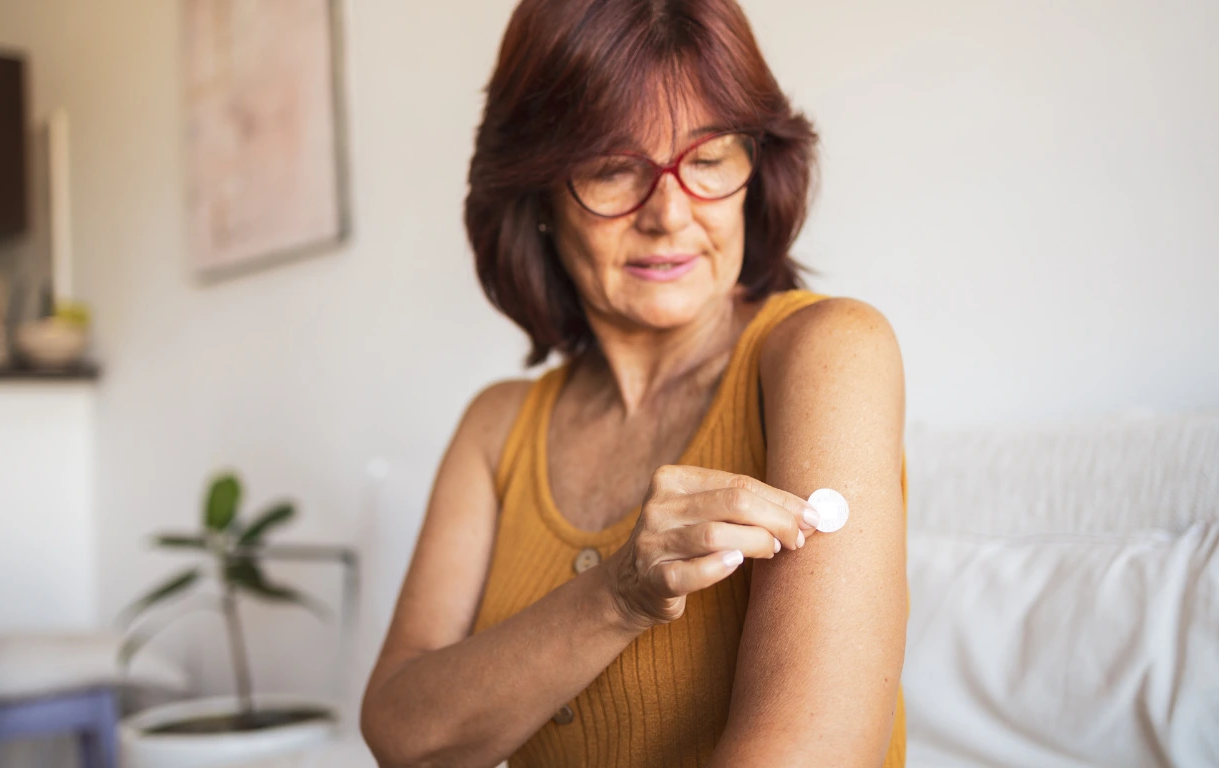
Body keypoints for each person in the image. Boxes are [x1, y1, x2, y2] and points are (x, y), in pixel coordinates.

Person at [360, 0, 908, 765]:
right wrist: (619, 594)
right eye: (615, 170)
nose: (671, 214)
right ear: (538, 195)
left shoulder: (827, 352)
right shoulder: (496, 427)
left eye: (711, 158)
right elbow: (402, 735)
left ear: (758, 169)